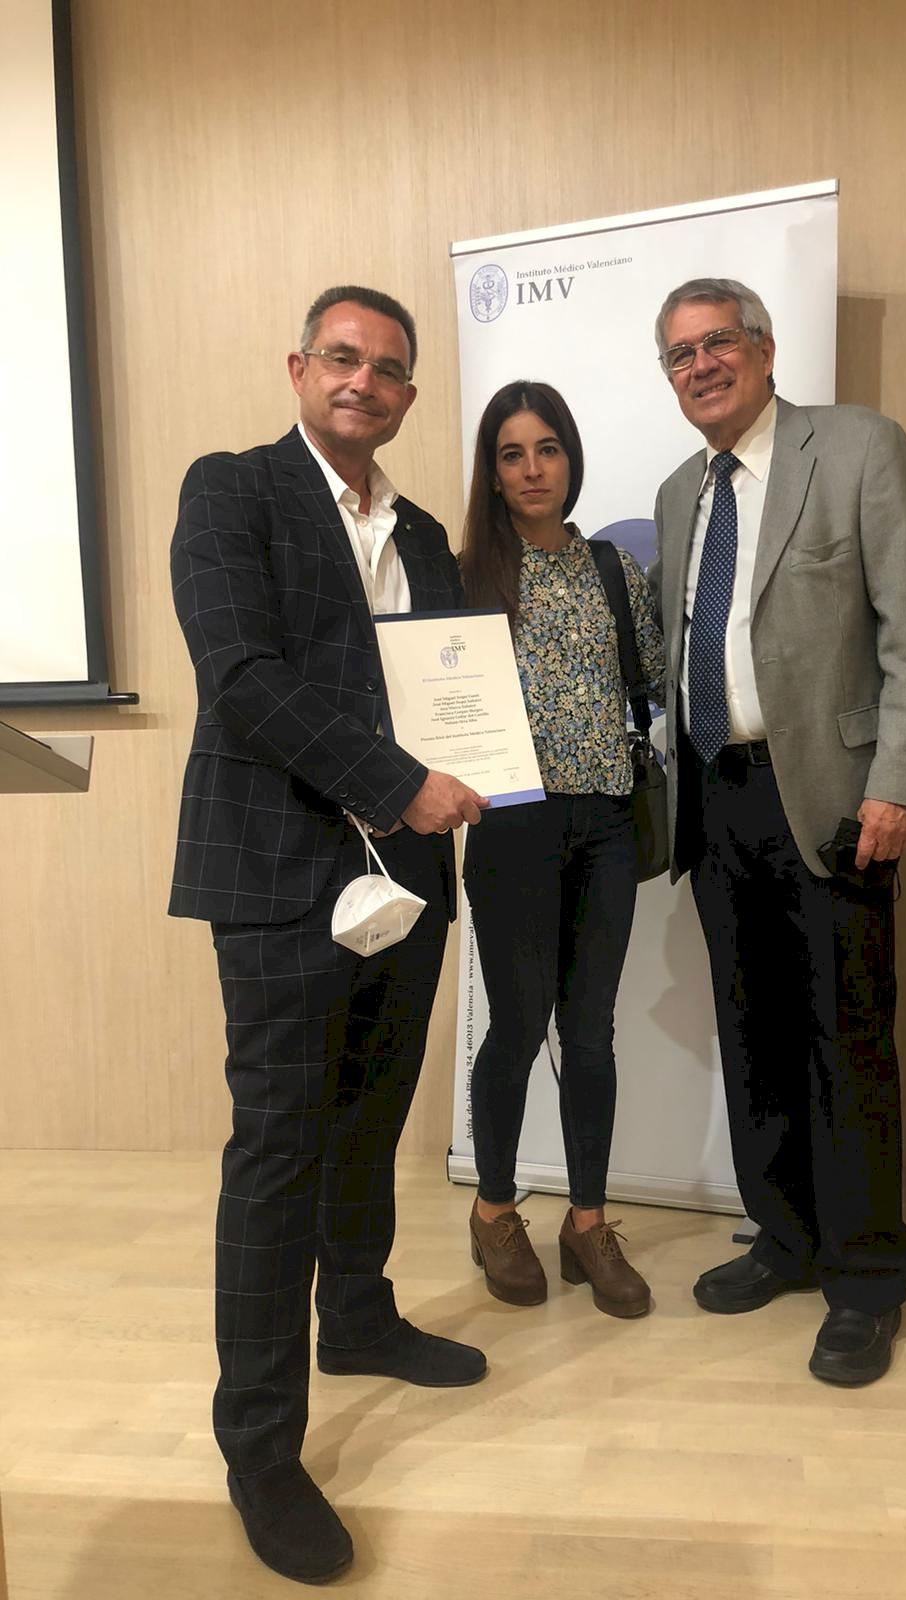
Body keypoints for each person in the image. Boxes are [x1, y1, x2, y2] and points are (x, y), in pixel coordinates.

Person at [169, 286, 489, 1585]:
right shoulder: (231, 491)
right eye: (343, 358)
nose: (364, 380)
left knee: (369, 1122)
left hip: (405, 879)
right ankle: (259, 1446)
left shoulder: (422, 532)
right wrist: (399, 783)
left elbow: (454, 690)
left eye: (389, 368)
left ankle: (356, 1315)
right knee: (279, 1151)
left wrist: (483, 772)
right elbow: (242, 681)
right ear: (300, 367)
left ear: (408, 395)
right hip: (279, 874)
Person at [649, 278, 906, 1385]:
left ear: (766, 349)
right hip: (715, 796)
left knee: (847, 1038)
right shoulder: (679, 493)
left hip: (833, 797)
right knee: (753, 1032)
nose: (701, 366)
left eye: (718, 342)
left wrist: (898, 784)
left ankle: (866, 1279)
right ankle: (785, 1238)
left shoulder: (860, 447)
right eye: (680, 354)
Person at [459, 381, 665, 1319]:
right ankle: (495, 1210)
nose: (533, 468)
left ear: (571, 459)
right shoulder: (468, 577)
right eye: (513, 453)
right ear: (493, 472)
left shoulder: (615, 570)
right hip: (512, 828)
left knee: (589, 1033)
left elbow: (652, 678)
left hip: (606, 825)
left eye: (547, 449)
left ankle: (587, 1224)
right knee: (516, 1027)